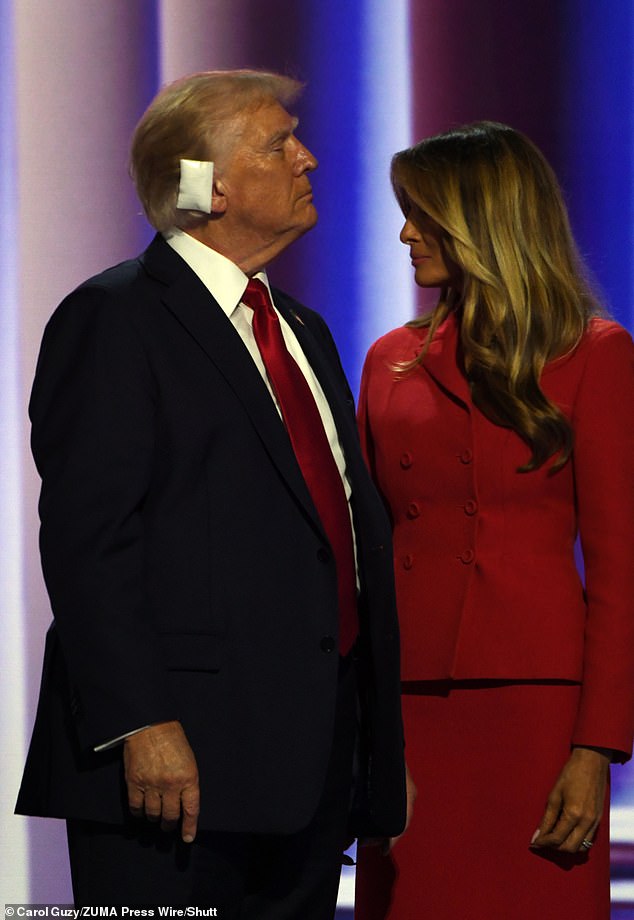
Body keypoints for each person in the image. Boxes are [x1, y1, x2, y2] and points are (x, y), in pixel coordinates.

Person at [16, 69, 406, 916]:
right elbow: (90, 540)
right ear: (209, 184)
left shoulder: (303, 328)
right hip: (173, 771)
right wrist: (140, 722)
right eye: (278, 142)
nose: (307, 159)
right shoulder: (114, 317)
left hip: (308, 770)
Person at [353, 121, 634, 919]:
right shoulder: (387, 359)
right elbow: (365, 558)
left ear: (485, 220)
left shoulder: (594, 353)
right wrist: (362, 729)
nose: (405, 233)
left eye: (424, 213)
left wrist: (596, 749)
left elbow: (621, 571)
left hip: (537, 715)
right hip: (408, 710)